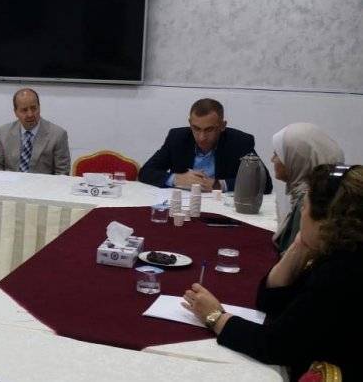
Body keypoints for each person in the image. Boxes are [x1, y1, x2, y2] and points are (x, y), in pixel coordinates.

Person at [182, 164, 363, 380]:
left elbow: (276, 345)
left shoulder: (341, 273)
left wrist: (215, 317)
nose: (301, 213)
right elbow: (269, 301)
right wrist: (300, 245)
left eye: (304, 207)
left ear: (326, 220)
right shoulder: (339, 252)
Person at [138, 98, 272, 193]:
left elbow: (264, 183)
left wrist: (218, 185)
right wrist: (178, 179)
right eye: (196, 128)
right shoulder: (177, 138)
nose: (201, 137)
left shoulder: (239, 142)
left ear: (222, 126)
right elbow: (145, 172)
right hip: (183, 205)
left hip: (221, 209)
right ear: (190, 123)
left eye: (209, 130)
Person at [271, 123, 344, 252]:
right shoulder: (315, 192)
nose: (272, 159)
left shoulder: (310, 202)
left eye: (277, 154)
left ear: (295, 159)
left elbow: (296, 255)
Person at [0, 88, 70, 175]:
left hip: (42, 183)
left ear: (39, 107)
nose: (30, 114)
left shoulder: (58, 135)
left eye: (34, 108)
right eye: (24, 110)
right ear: (16, 112)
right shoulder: (3, 132)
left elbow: (62, 174)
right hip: (10, 183)